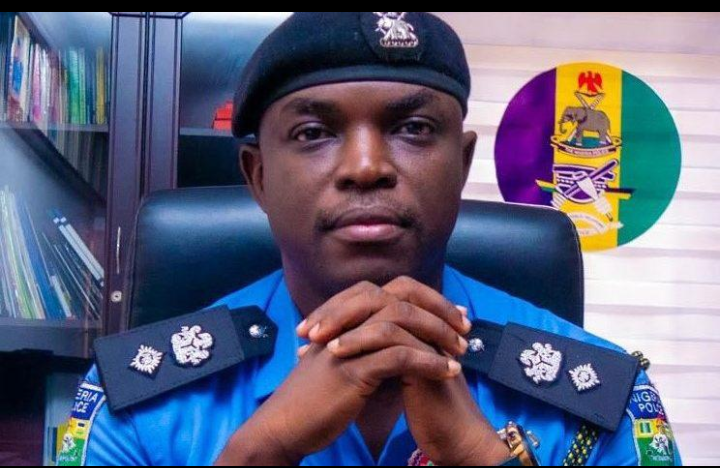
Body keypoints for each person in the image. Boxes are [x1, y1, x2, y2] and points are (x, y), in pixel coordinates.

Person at [58, 12, 681, 466]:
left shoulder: (604, 400)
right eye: (312, 133)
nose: (366, 167)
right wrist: (259, 452)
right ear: (258, 176)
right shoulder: (132, 402)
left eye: (414, 129)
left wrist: (481, 458)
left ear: (462, 166)